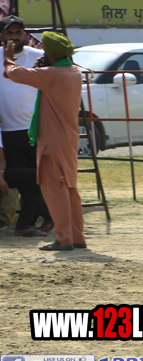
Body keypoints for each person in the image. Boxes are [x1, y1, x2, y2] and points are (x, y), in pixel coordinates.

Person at [3, 31, 84, 251]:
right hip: (68, 140)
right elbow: (36, 76)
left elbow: (15, 73)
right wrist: (42, 67)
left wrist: (8, 58)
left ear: (52, 55)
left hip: (52, 141)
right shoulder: (74, 72)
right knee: (70, 188)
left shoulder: (53, 75)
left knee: (54, 190)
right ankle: (77, 236)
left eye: (46, 52)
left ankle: (64, 238)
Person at [0, 15, 50, 236]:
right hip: (6, 131)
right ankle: (33, 220)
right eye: (9, 33)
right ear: (2, 36)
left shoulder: (37, 56)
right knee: (21, 179)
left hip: (34, 130)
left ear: (24, 35)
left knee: (37, 178)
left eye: (18, 32)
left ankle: (37, 220)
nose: (15, 37)